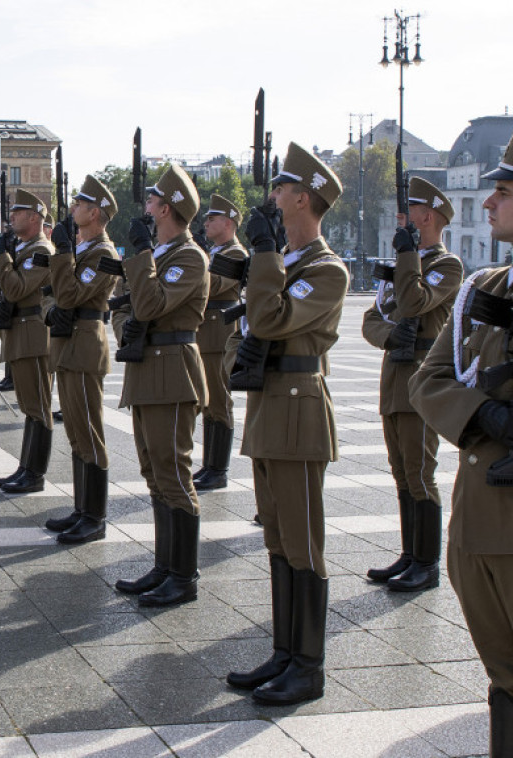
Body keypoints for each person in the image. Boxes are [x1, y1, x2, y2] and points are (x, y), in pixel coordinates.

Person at [225, 143, 348, 706]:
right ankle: (284, 652)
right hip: (269, 407)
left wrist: (265, 253)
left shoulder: (325, 270)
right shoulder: (288, 266)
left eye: (281, 189)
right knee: (277, 536)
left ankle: (309, 666)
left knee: (303, 542)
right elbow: (249, 330)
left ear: (303, 199)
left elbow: (270, 318)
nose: (272, 197)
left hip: (299, 412)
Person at [409, 138, 513, 756]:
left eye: (503, 192)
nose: (490, 203)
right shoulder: (483, 287)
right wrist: (485, 413)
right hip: (476, 518)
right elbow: (429, 381)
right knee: (500, 672)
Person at [107, 166, 209, 599]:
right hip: (147, 369)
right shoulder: (161, 257)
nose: (145, 208)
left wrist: (143, 252)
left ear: (166, 209)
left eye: (151, 202)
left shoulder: (189, 257)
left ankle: (183, 577)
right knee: (154, 474)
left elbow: (148, 306)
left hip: (172, 373)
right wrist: (126, 326)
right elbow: (122, 309)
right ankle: (164, 566)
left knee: (173, 474)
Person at [363, 177, 462, 592]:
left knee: (421, 473)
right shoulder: (404, 264)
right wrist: (390, 336)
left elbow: (413, 302)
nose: (402, 218)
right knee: (401, 472)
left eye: (411, 211)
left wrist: (407, 256)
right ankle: (409, 554)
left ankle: (427, 563)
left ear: (429, 217)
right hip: (394, 376)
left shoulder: (446, 266)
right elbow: (372, 319)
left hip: (421, 378)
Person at [39, 177, 119, 544]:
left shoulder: (104, 254)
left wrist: (62, 252)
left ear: (95, 212)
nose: (72, 208)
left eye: (79, 204)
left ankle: (95, 516)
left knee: (89, 431)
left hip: (85, 346)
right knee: (75, 431)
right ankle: (82, 508)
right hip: (70, 345)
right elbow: (58, 292)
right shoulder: (84, 250)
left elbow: (70, 295)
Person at [0, 189, 54, 493]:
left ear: (34, 218)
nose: (11, 217)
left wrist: (2, 257)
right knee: (29, 405)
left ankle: (35, 473)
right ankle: (26, 467)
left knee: (38, 405)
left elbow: (16, 289)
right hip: (21, 331)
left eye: (18, 213)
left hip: (34, 333)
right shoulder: (25, 249)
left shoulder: (41, 251)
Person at [194, 194, 249, 491]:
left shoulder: (235, 254)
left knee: (219, 401)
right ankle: (209, 465)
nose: (206, 223)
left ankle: (219, 469)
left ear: (228, 223)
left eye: (212, 219)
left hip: (220, 335)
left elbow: (214, 286)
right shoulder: (215, 253)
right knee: (208, 403)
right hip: (207, 333)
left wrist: (196, 267)